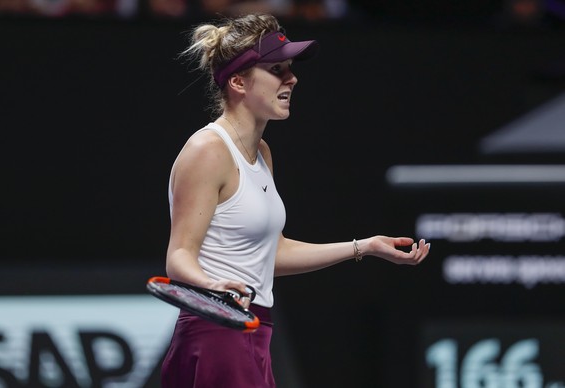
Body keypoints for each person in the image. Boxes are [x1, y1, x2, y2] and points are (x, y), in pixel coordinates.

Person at [162, 13, 430, 388]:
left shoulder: (262, 153)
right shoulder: (207, 150)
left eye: (289, 69)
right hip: (215, 332)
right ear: (238, 81)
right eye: (276, 69)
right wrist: (212, 286)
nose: (291, 79)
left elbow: (272, 253)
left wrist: (364, 247)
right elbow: (178, 257)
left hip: (254, 330)